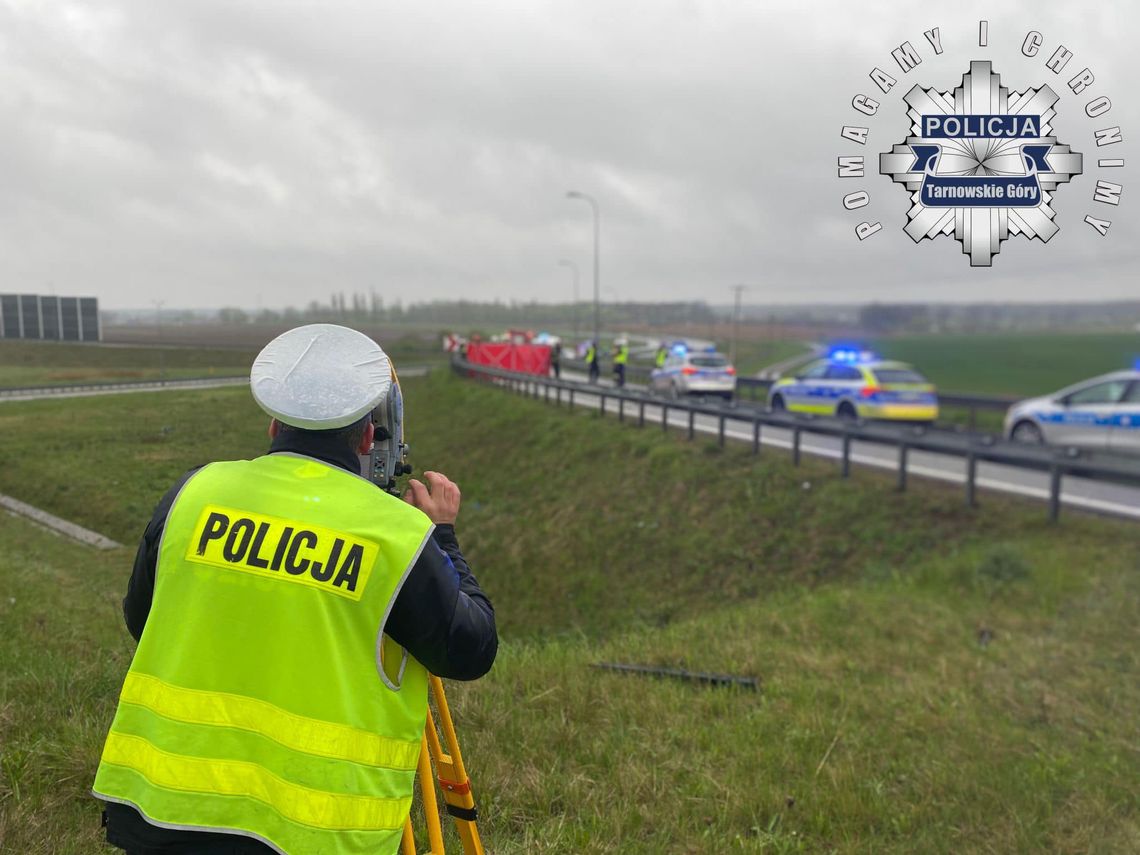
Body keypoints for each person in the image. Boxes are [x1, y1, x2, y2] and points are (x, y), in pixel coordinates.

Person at [93, 324, 497, 855]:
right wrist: (441, 534)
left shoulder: (193, 492)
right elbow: (470, 649)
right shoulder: (393, 533)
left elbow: (143, 621)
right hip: (313, 832)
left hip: (159, 808)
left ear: (273, 425)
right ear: (369, 438)